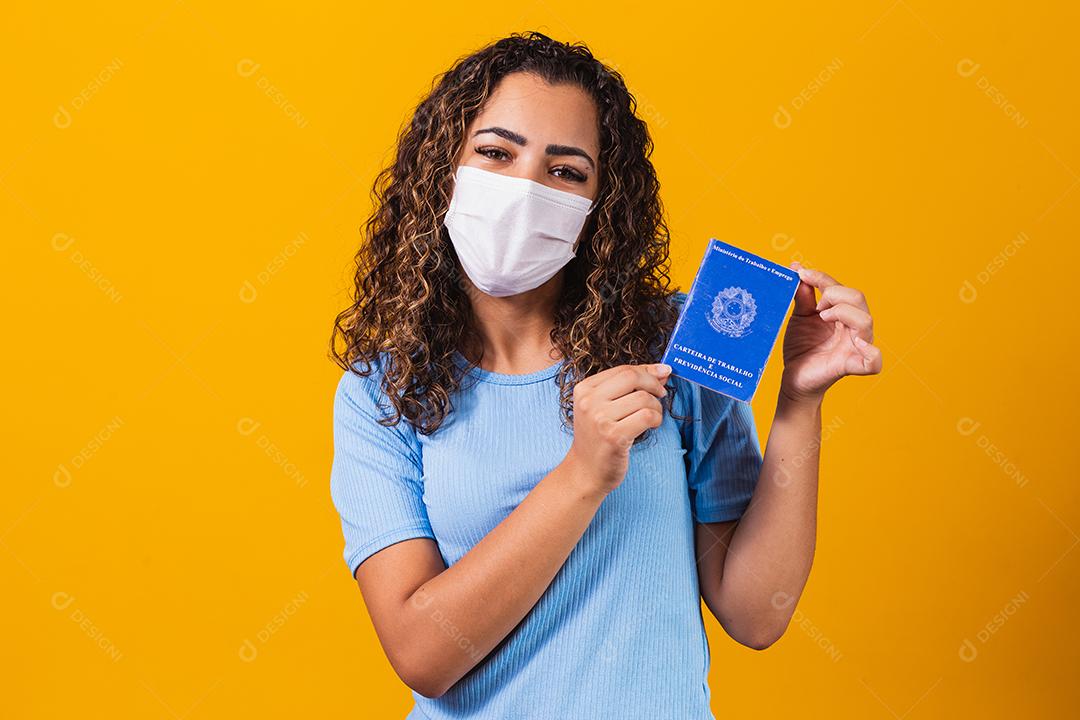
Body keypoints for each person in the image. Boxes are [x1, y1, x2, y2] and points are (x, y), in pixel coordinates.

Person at [328, 31, 882, 720]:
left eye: (566, 171)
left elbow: (755, 615)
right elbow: (423, 656)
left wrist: (799, 398)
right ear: (442, 170)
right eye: (496, 153)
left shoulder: (677, 345)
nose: (525, 189)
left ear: (600, 206)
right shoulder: (381, 394)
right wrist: (582, 474)